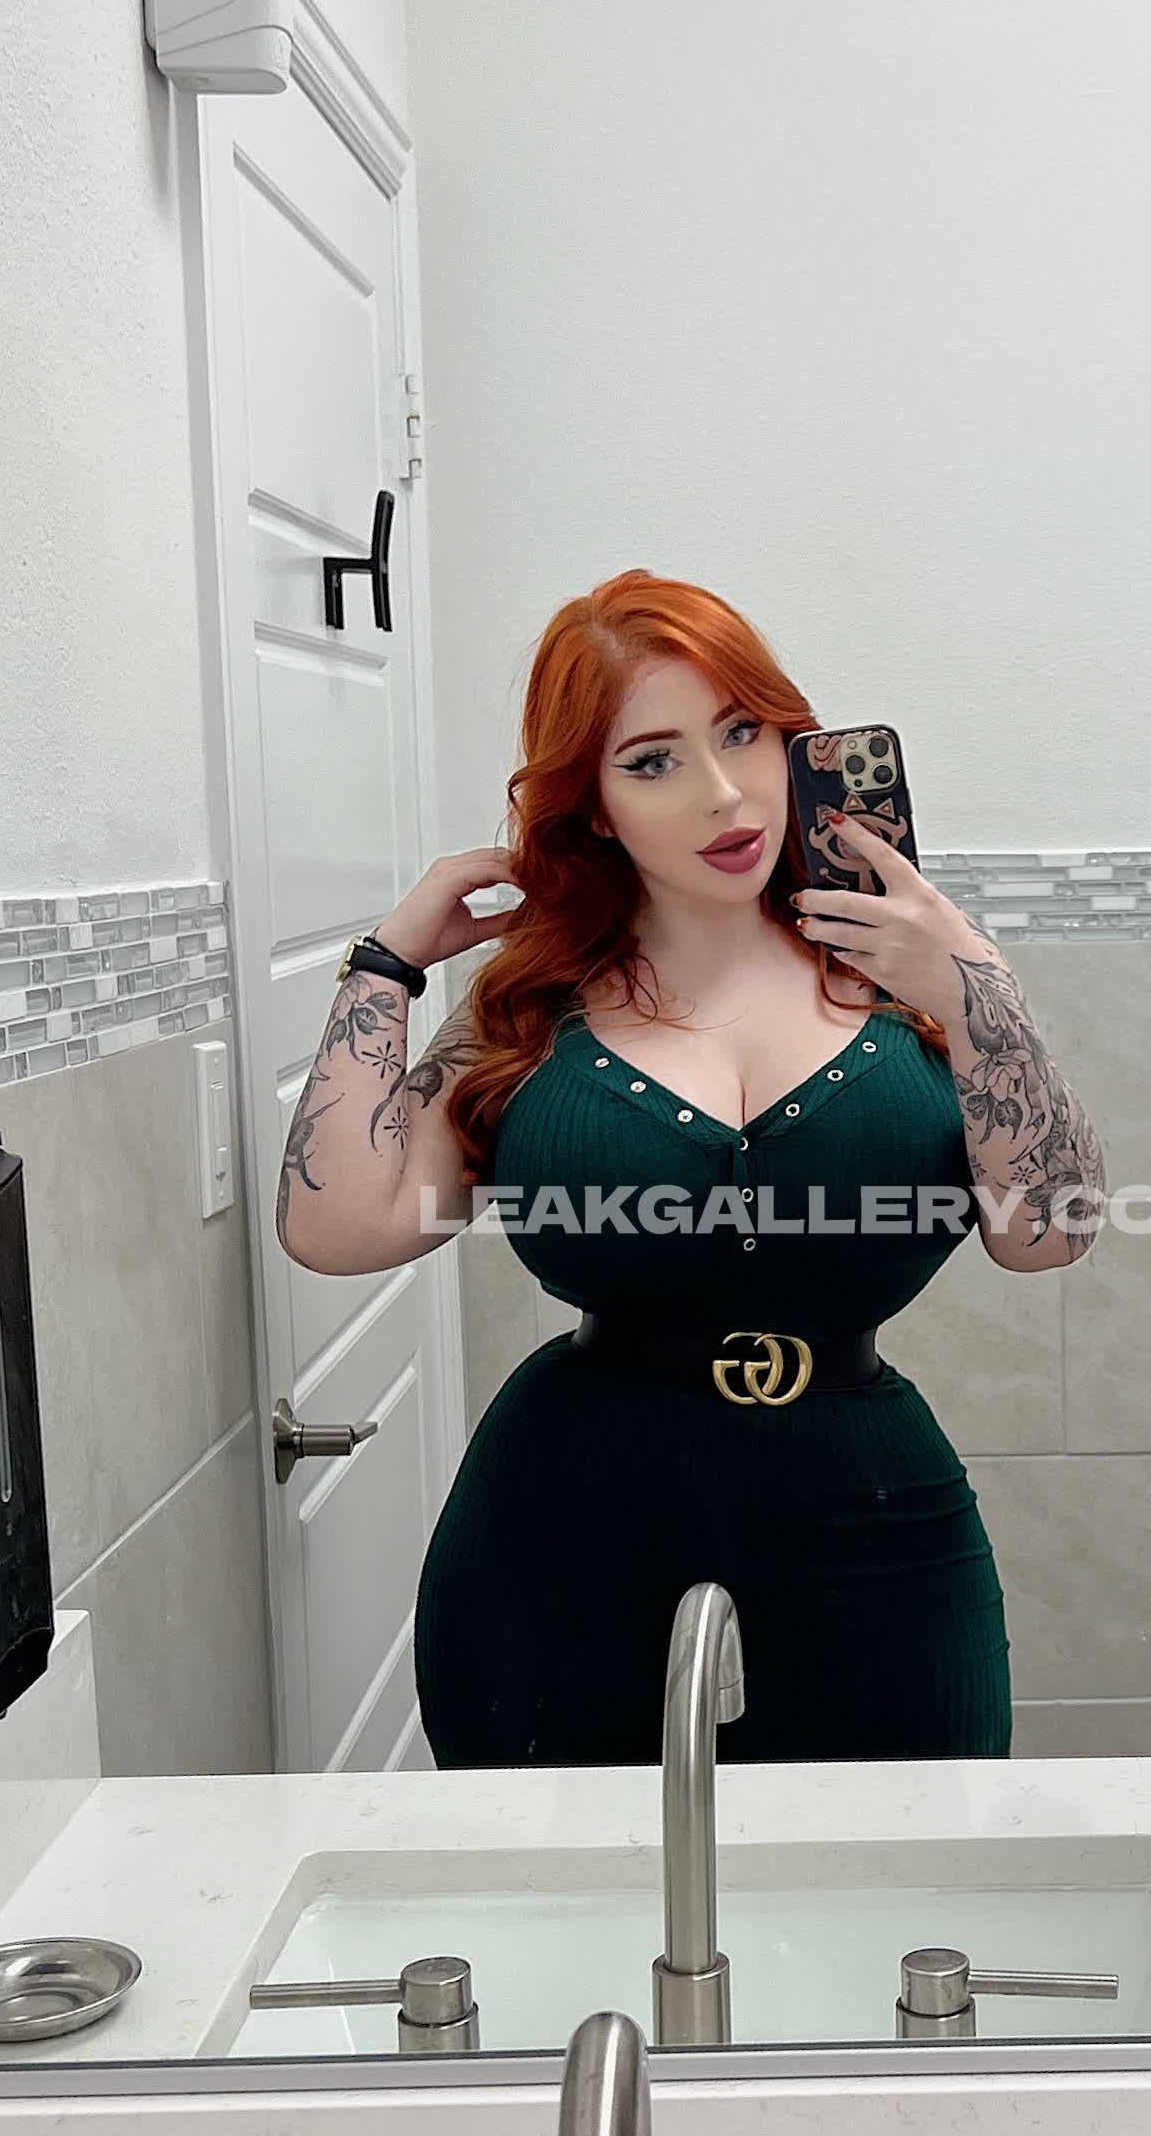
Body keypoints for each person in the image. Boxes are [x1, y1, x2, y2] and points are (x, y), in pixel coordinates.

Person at [275, 570, 1106, 1768]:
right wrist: (389, 961)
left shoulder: (914, 974)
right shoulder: (531, 1009)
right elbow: (338, 1227)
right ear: (595, 809)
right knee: (559, 1881)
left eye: (742, 732)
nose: (722, 791)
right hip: (560, 1540)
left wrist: (978, 987)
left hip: (874, 1528)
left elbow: (1054, 1229)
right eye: (653, 760)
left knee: (900, 1867)